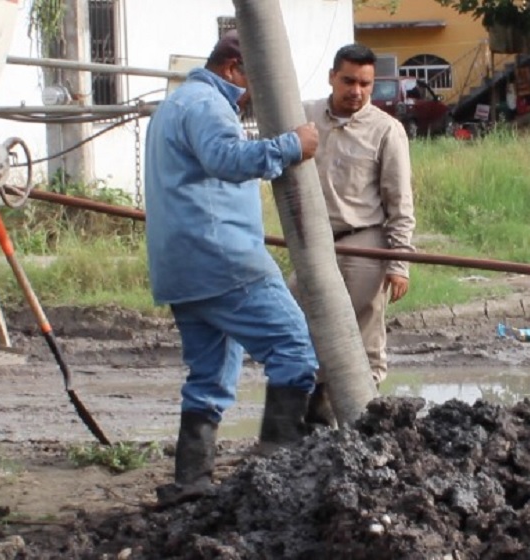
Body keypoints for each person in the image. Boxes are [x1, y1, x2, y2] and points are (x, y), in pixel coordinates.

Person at [144, 31, 321, 505]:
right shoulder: (206, 105)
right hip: (224, 259)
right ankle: (279, 467)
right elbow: (225, 157)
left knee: (210, 378)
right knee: (296, 351)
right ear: (233, 69)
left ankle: (191, 483)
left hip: (182, 268)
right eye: (255, 84)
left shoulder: (175, 104)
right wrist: (290, 145)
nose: (253, 98)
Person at [298, 44, 415, 425]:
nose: (357, 91)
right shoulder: (306, 115)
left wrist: (399, 262)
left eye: (365, 83)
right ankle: (315, 416)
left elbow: (399, 202)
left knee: (363, 330)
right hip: (313, 241)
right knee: (306, 325)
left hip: (365, 242)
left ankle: (364, 416)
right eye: (348, 81)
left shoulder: (386, 130)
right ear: (332, 76)